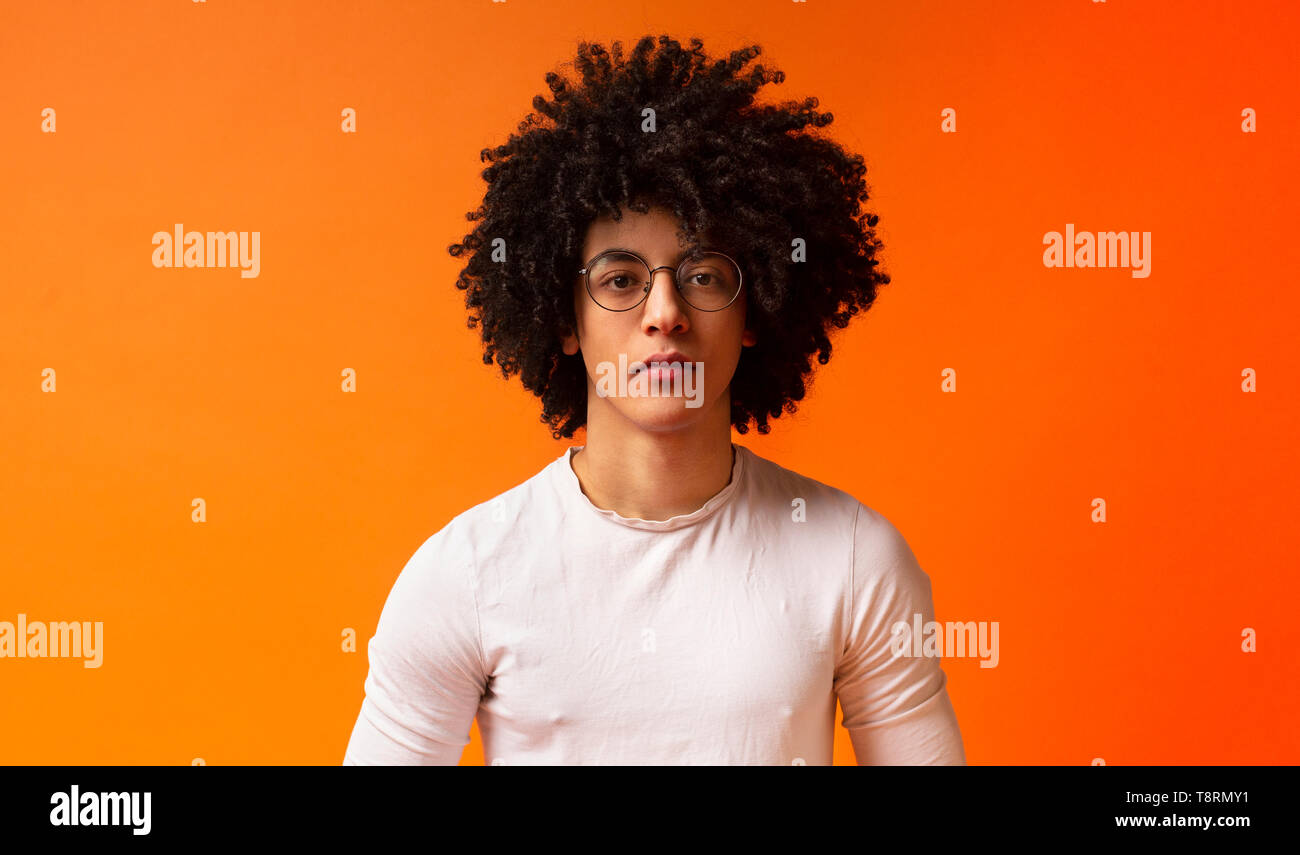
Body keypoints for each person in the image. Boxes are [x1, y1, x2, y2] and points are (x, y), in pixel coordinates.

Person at [343, 34, 965, 765]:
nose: (664, 311)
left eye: (702, 275)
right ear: (565, 320)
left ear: (757, 308)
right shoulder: (465, 576)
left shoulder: (855, 558)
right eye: (619, 279)